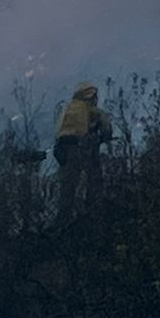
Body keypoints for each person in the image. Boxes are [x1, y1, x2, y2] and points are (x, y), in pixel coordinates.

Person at [52, 81, 113, 219]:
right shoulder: (93, 110)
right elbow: (107, 129)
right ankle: (93, 214)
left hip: (65, 151)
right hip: (85, 149)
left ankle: (63, 218)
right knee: (94, 180)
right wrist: (102, 138)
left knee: (67, 187)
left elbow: (58, 132)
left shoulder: (66, 109)